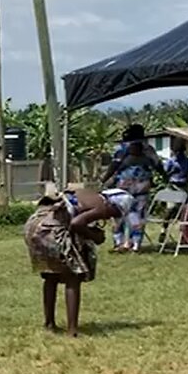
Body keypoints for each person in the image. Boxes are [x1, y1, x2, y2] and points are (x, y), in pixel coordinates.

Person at [25, 188, 132, 336]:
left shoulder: (88, 194)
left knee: (51, 276)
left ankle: (49, 323)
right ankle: (72, 329)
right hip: (52, 228)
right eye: (115, 213)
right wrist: (95, 236)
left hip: (35, 226)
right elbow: (76, 223)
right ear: (115, 205)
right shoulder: (102, 205)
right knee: (73, 277)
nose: (111, 216)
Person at [102, 130, 159, 253]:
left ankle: (120, 243)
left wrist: (104, 179)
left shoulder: (122, 149)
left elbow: (114, 166)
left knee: (119, 216)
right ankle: (135, 244)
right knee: (138, 217)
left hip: (123, 189)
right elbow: (157, 165)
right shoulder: (148, 150)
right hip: (141, 187)